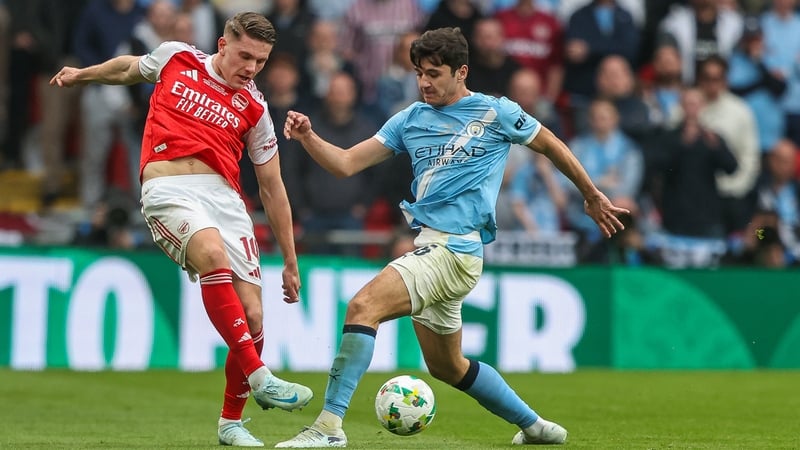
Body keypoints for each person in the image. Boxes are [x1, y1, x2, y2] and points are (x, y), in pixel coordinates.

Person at [276, 27, 629, 448]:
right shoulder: (410, 119)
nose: (425, 82)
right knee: (448, 367)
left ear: (461, 71)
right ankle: (535, 426)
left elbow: (550, 143)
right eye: (419, 73)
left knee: (362, 306)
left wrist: (590, 195)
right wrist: (308, 137)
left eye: (434, 73)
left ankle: (328, 428)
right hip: (435, 248)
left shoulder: (495, 112)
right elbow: (347, 163)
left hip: (455, 249)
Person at [50, 12, 313, 447]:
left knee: (254, 315)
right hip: (169, 187)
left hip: (226, 200)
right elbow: (126, 67)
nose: (250, 68)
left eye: (261, 61)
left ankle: (231, 423)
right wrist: (83, 75)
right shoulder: (177, 57)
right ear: (223, 43)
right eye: (245, 55)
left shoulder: (255, 108)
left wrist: (290, 259)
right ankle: (261, 376)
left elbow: (272, 187)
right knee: (212, 255)